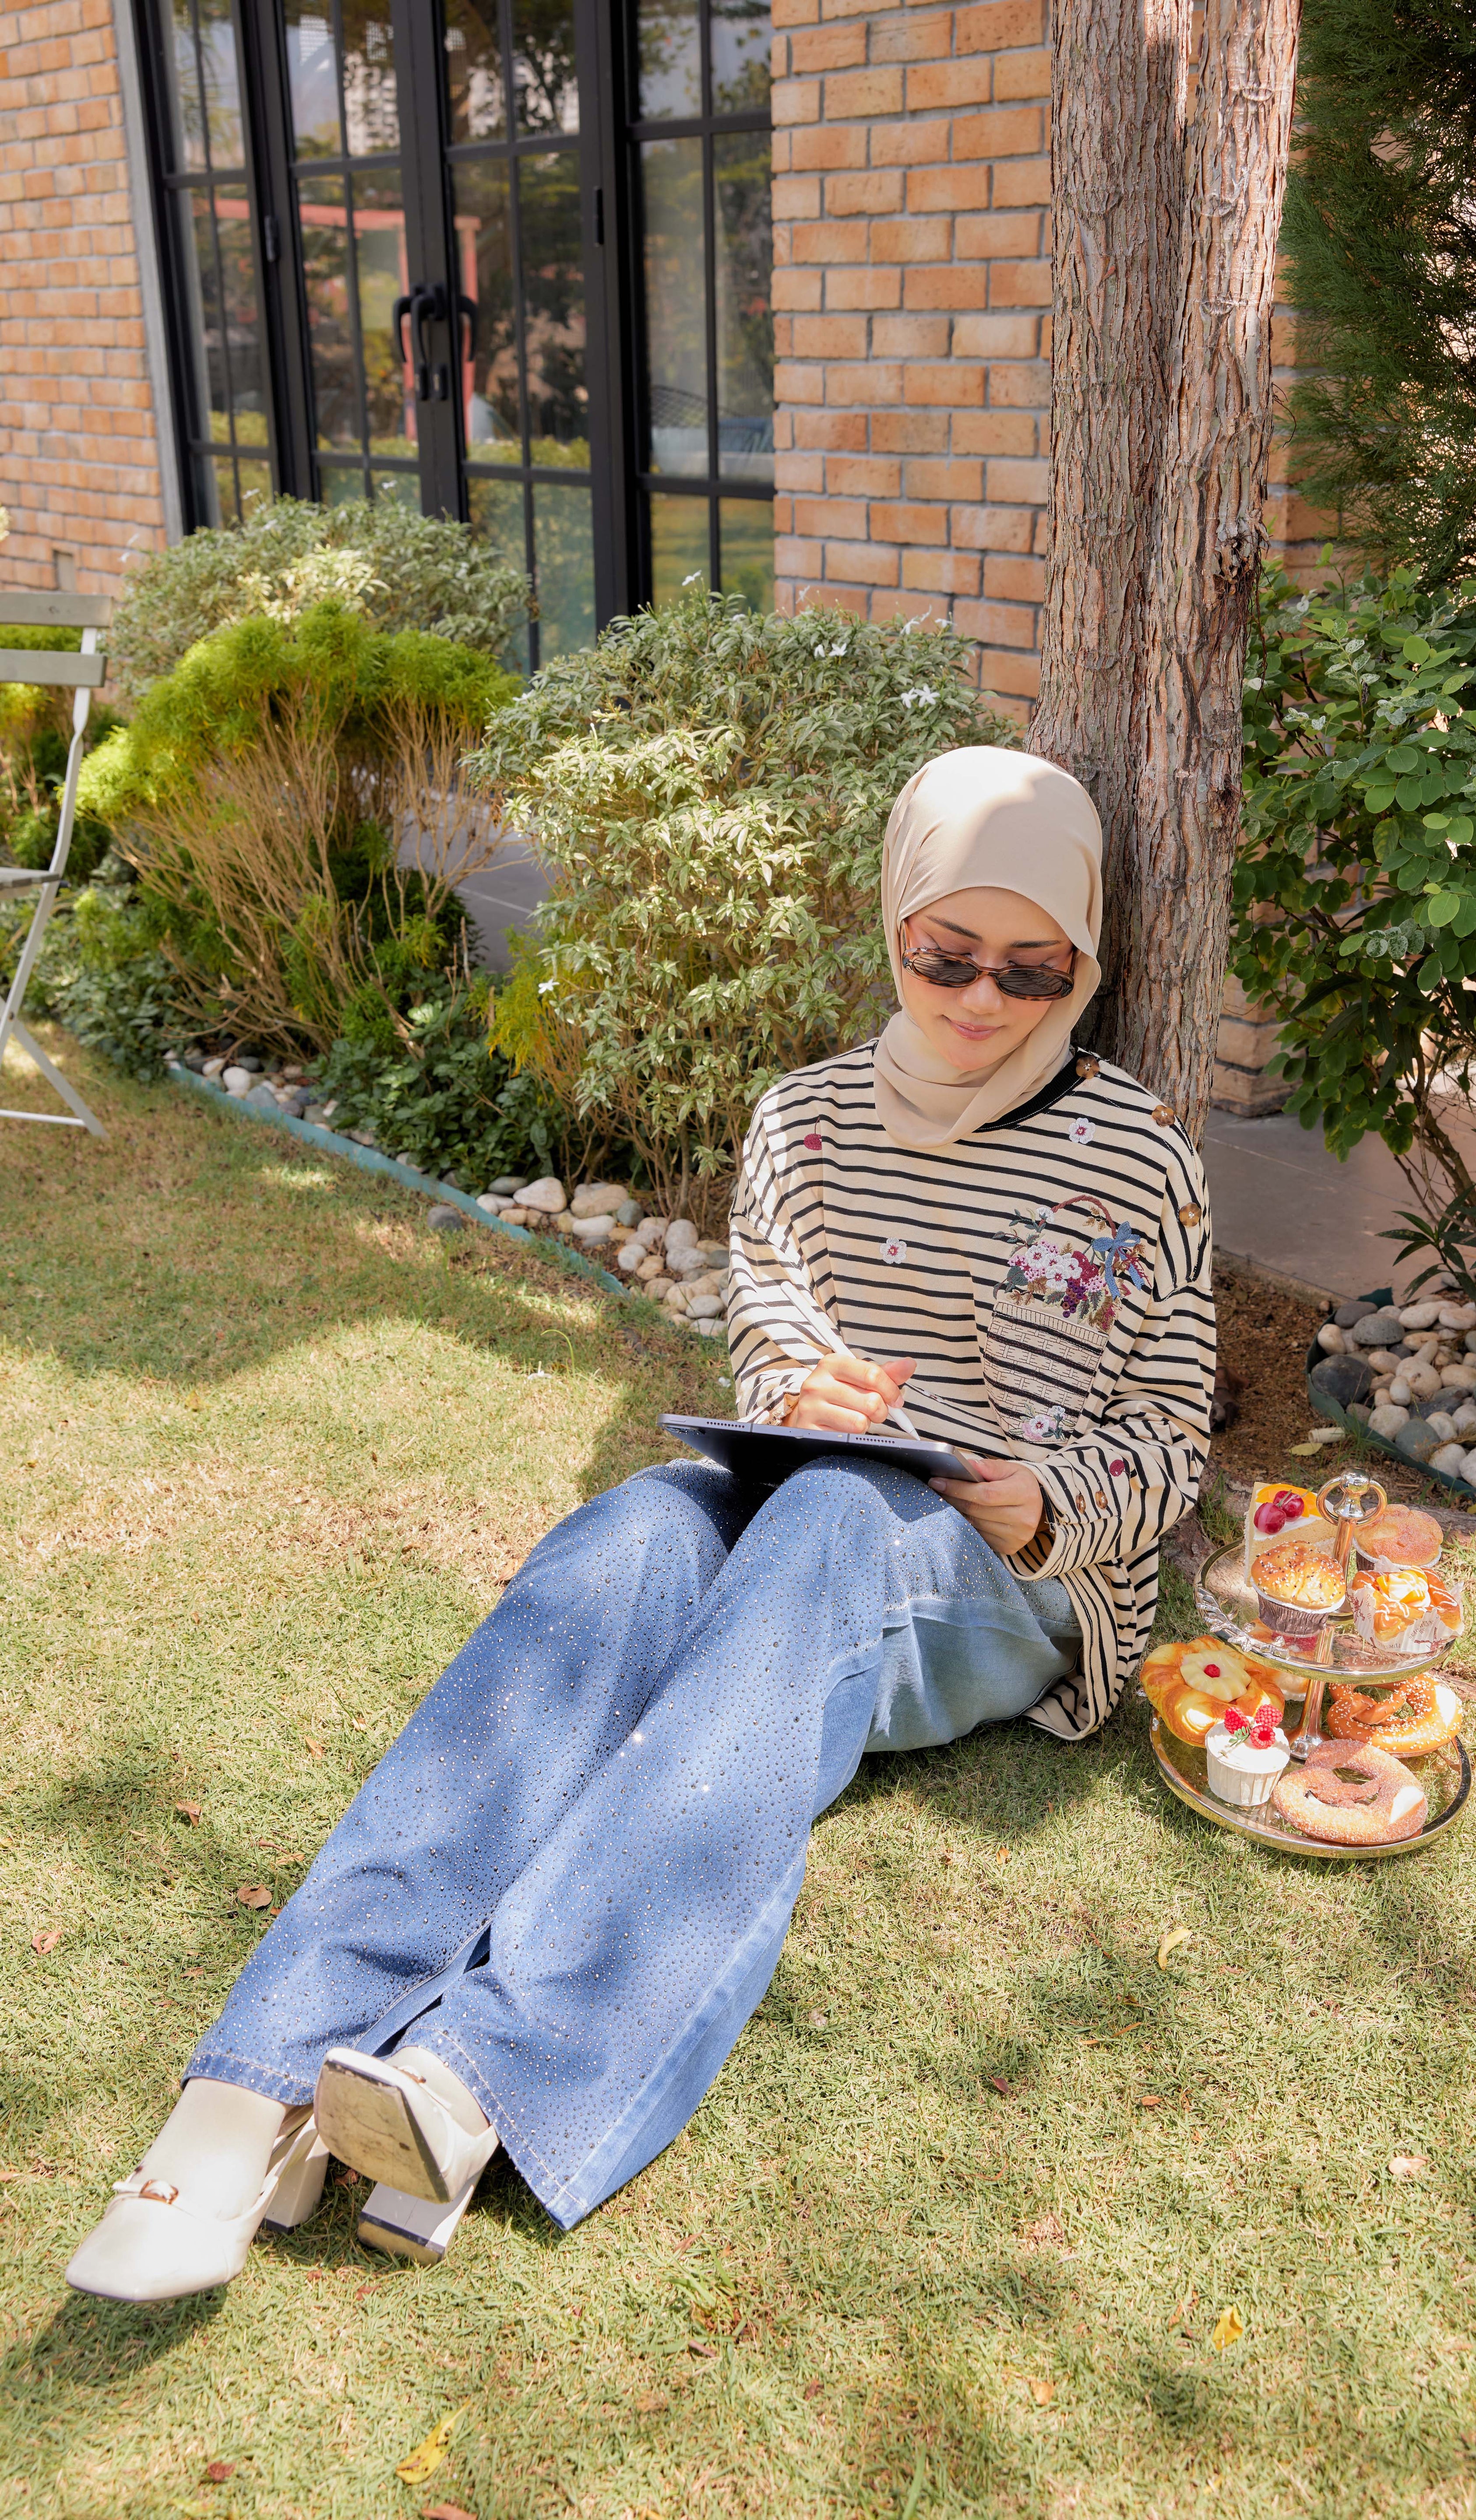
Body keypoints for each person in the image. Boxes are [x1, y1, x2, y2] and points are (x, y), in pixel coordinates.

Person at [65, 745, 1215, 2305]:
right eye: (948, 953)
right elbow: (773, 1330)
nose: (982, 997)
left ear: (1085, 967)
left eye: (1035, 968)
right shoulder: (807, 1122)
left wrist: (1045, 1502)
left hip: (1005, 1580)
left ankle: (482, 2076)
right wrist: (803, 1388)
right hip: (804, 1510)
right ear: (894, 921)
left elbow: (1171, 1439)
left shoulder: (1137, 1155)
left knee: (826, 1521)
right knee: (635, 1531)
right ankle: (247, 2087)